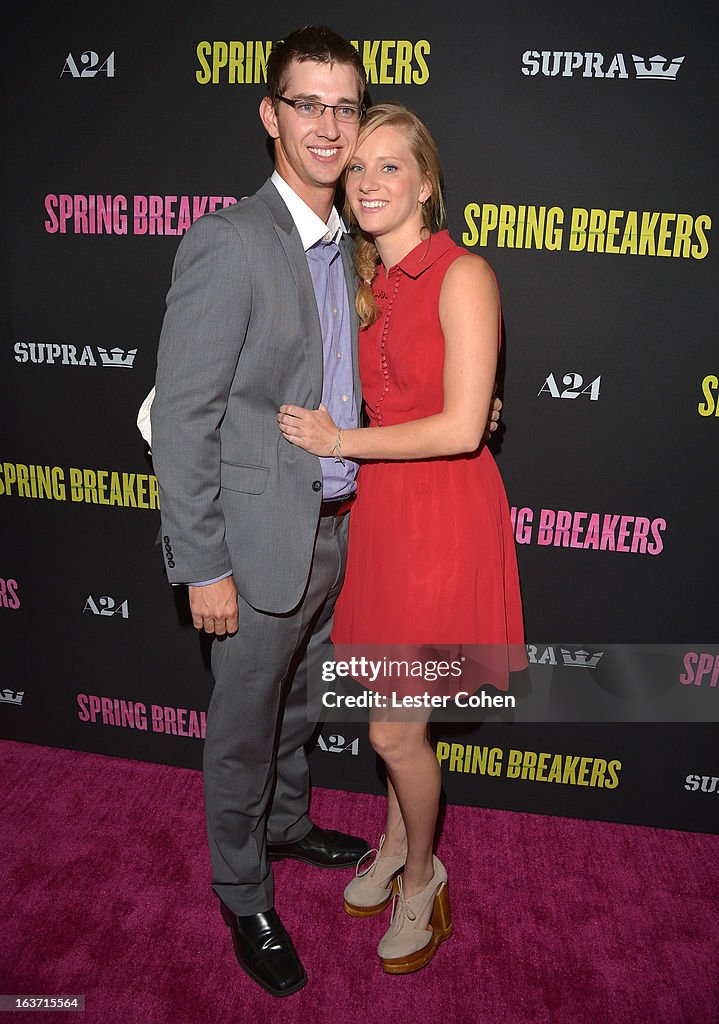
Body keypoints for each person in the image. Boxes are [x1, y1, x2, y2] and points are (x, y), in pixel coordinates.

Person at [151, 27, 502, 997]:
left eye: (342, 106)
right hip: (258, 542)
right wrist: (200, 562)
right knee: (242, 721)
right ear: (270, 114)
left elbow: (401, 384)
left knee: (301, 707)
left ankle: (289, 822)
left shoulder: (359, 250)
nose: (326, 124)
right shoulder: (227, 243)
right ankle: (241, 887)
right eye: (305, 103)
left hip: (352, 529)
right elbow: (180, 417)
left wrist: (471, 403)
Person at [278, 103, 526, 975]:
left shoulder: (464, 274)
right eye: (358, 168)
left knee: (390, 731)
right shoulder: (356, 282)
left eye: (392, 166)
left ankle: (422, 875)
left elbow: (462, 428)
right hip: (382, 511)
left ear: (426, 183)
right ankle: (390, 846)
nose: (371, 181)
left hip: (442, 515)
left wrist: (339, 441)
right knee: (393, 709)